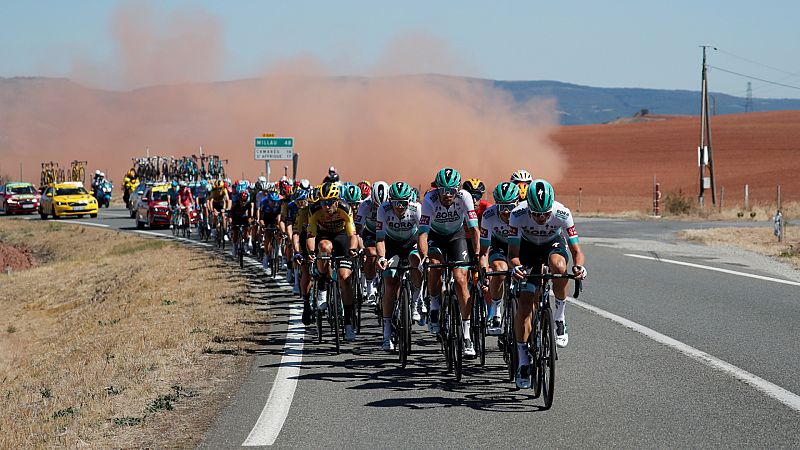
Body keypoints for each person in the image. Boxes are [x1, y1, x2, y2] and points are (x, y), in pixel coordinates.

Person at [508, 179, 587, 388]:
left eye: (544, 213)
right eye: (536, 214)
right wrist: (516, 268)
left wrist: (578, 267)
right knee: (525, 307)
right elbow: (513, 255)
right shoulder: (517, 214)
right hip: (527, 249)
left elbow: (577, 251)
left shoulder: (562, 213)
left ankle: (560, 317)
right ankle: (523, 361)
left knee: (559, 267)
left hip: (552, 245)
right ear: (529, 207)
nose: (541, 218)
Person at [417, 168, 480, 358]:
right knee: (435, 267)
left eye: (451, 190)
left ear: (458, 189)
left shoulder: (465, 197)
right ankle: (435, 303)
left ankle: (467, 334)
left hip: (456, 236)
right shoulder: (429, 199)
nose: (447, 195)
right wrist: (423, 257)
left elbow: (474, 230)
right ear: (437, 189)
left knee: (461, 279)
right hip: (435, 237)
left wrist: (476, 255)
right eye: (443, 190)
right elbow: (423, 233)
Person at [306, 182, 359, 341]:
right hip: (323, 236)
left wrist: (353, 250)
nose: (326, 206)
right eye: (323, 202)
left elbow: (352, 235)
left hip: (341, 236)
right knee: (323, 247)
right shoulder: (314, 210)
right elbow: (311, 236)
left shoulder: (345, 208)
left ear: (337, 201)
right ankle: (322, 285)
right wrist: (310, 252)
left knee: (344, 277)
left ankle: (348, 321)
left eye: (329, 202)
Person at [375, 182, 423, 351]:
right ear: (390, 201)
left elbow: (424, 234)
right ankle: (387, 333)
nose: (400, 207)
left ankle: (416, 302)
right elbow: (380, 239)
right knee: (390, 284)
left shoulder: (416, 208)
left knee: (417, 263)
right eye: (396, 203)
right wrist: (381, 257)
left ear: (409, 201)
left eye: (403, 203)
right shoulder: (383, 209)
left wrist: (425, 256)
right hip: (391, 246)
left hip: (411, 244)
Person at [478, 181, 520, 335]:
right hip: (499, 245)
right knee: (500, 270)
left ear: (517, 203)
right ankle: (495, 309)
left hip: (522, 246)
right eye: (502, 207)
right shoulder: (489, 215)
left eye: (510, 207)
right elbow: (483, 251)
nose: (506, 212)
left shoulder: (524, 212)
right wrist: (485, 272)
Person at [355, 181, 389, 306]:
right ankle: (370, 285)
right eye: (376, 205)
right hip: (370, 232)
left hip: (387, 233)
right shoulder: (365, 204)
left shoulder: (391, 202)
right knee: (371, 253)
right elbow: (357, 227)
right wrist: (356, 244)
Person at [258, 191, 283, 271]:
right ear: (268, 200)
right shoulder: (264, 203)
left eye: (276, 201)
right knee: (268, 236)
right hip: (266, 218)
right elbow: (261, 218)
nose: (274, 203)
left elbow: (279, 217)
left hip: (275, 217)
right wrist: (263, 225)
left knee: (280, 231)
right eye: (272, 201)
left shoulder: (279, 203)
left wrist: (279, 226)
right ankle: (266, 256)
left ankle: (278, 248)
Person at [230, 189, 256, 256]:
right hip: (236, 218)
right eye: (242, 201)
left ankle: (246, 244)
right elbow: (231, 214)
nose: (243, 202)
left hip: (244, 218)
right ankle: (234, 246)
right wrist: (231, 221)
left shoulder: (248, 204)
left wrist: (250, 222)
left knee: (247, 229)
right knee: (235, 232)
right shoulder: (235, 204)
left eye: (245, 201)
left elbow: (250, 215)